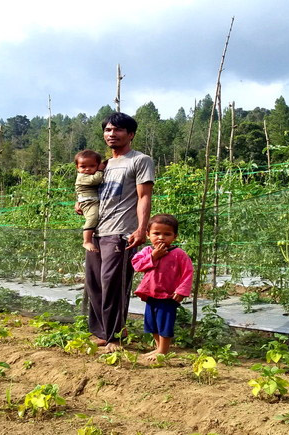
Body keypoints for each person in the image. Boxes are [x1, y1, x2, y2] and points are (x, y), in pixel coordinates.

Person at [80, 112, 154, 351]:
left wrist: (142, 228)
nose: (112, 134)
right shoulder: (103, 164)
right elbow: (87, 188)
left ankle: (114, 337)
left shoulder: (139, 160)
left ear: (130, 134)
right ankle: (101, 331)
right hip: (98, 232)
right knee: (95, 283)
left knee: (112, 283)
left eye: (118, 130)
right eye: (108, 130)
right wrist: (80, 202)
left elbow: (144, 197)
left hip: (121, 231)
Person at [132, 214, 193, 362]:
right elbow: (136, 265)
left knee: (164, 324)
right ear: (148, 235)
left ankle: (163, 351)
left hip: (168, 296)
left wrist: (181, 290)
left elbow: (188, 272)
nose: (161, 237)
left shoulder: (179, 254)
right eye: (156, 233)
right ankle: (159, 348)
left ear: (175, 236)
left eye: (167, 234)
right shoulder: (147, 252)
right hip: (151, 294)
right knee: (152, 324)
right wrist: (153, 256)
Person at [74, 150, 106, 252]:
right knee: (92, 217)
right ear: (77, 168)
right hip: (88, 202)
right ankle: (86, 241)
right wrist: (100, 170)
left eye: (92, 166)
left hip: (92, 201)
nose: (87, 169)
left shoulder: (87, 174)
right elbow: (95, 180)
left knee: (96, 217)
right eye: (83, 167)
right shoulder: (82, 177)